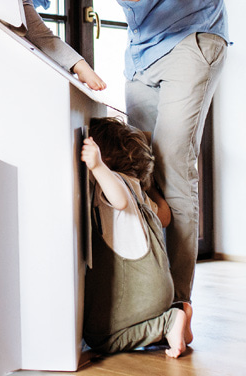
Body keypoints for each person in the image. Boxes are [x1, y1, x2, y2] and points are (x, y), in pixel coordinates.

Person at [0, 0, 228, 329]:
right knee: (138, 169)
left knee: (174, 169)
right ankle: (142, 289)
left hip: (194, 35)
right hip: (142, 50)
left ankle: (175, 306)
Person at [81, 116, 189, 358]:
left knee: (98, 337)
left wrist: (97, 167)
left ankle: (167, 324)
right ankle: (175, 317)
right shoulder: (138, 190)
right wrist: (149, 186)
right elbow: (165, 217)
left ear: (105, 156)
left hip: (141, 290)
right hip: (160, 284)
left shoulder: (112, 182)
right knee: (119, 324)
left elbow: (118, 200)